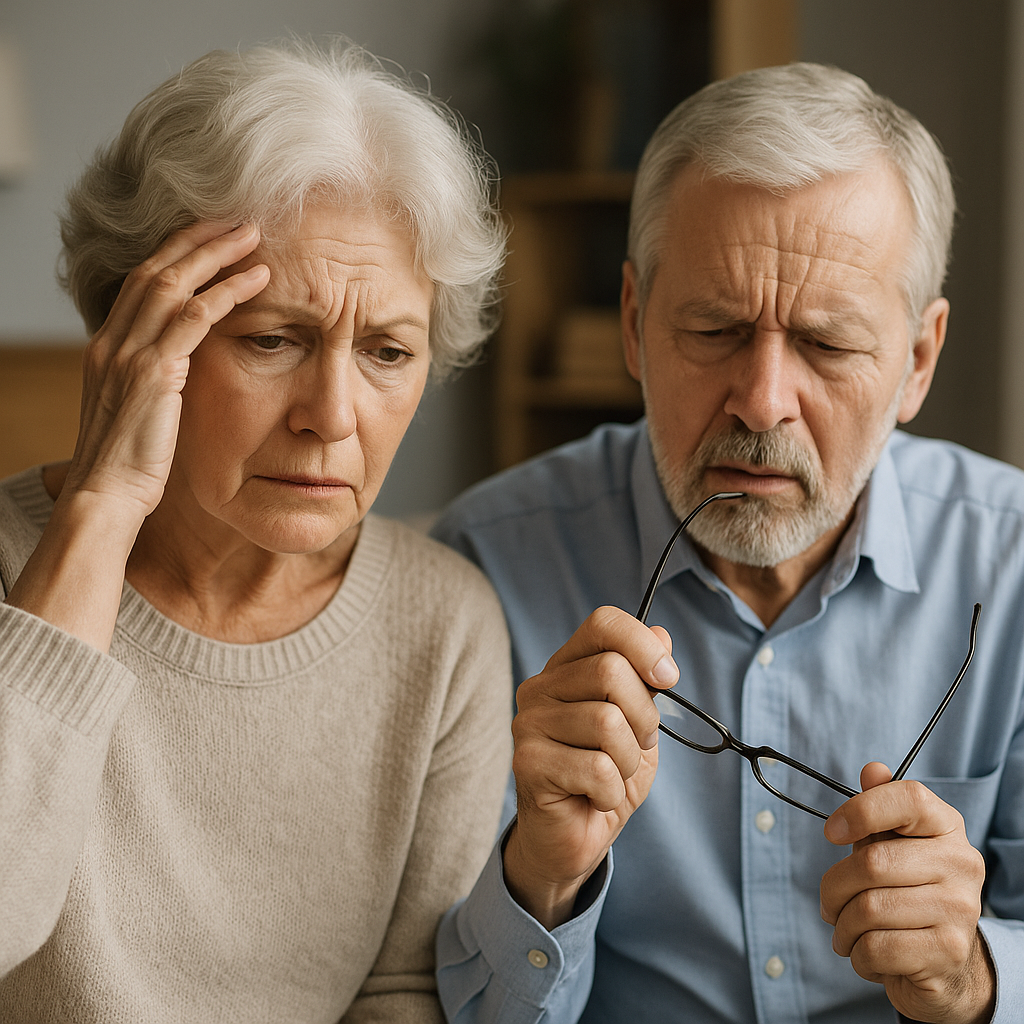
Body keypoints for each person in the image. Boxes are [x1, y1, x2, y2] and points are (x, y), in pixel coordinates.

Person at [433, 62, 1024, 1024]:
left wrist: (973, 978)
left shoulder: (1013, 568)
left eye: (827, 344)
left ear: (918, 360)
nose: (762, 401)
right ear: (634, 325)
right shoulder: (485, 568)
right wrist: (544, 875)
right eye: (715, 329)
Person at [0, 40, 512, 1022]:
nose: (333, 416)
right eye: (272, 338)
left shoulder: (443, 623)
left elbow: (405, 993)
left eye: (387, 351)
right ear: (137, 334)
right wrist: (101, 508)